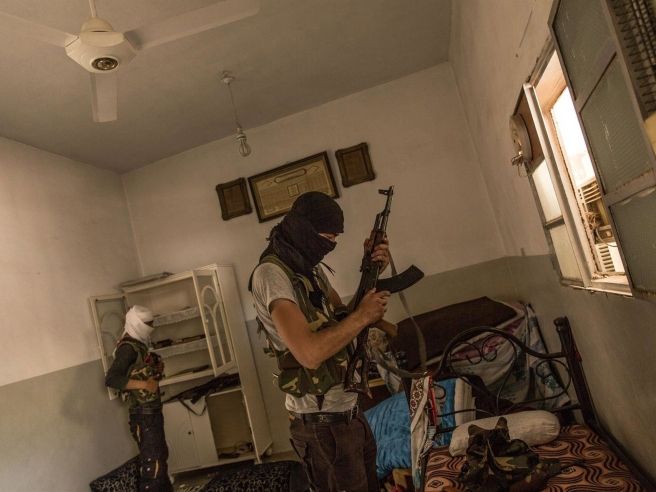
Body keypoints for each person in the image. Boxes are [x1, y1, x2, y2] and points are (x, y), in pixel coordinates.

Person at [250, 191, 391, 492]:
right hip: (323, 426)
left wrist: (371, 269)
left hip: (348, 413)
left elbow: (343, 319)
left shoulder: (308, 270)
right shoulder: (271, 275)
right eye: (326, 238)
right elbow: (309, 353)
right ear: (303, 230)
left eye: (334, 239)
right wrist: (363, 316)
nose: (330, 246)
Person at [105, 305, 172, 492]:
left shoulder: (139, 345)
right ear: (136, 323)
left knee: (160, 459)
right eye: (147, 324)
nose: (151, 327)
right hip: (143, 414)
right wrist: (144, 384)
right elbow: (112, 379)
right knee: (153, 465)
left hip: (150, 412)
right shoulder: (127, 348)